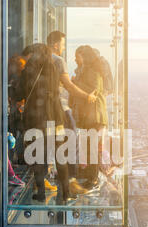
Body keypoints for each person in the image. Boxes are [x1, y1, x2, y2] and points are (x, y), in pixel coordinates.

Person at [15, 44, 70, 203]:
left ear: (34, 54)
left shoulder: (29, 70)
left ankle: (40, 193)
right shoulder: (52, 68)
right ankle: (66, 192)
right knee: (60, 154)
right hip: (56, 116)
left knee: (38, 155)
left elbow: (20, 94)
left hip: (37, 118)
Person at [47, 31, 95, 195]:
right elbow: (68, 86)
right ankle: (71, 181)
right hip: (60, 108)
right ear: (55, 44)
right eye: (62, 44)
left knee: (53, 142)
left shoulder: (39, 60)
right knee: (71, 137)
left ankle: (48, 178)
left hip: (45, 108)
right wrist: (87, 96)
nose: (62, 47)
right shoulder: (58, 60)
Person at [71, 45, 108, 189]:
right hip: (90, 114)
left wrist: (74, 83)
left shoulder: (93, 70)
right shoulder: (87, 69)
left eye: (77, 56)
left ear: (85, 56)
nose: (75, 59)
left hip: (94, 113)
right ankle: (91, 176)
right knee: (89, 146)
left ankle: (93, 178)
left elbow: (94, 90)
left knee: (92, 146)